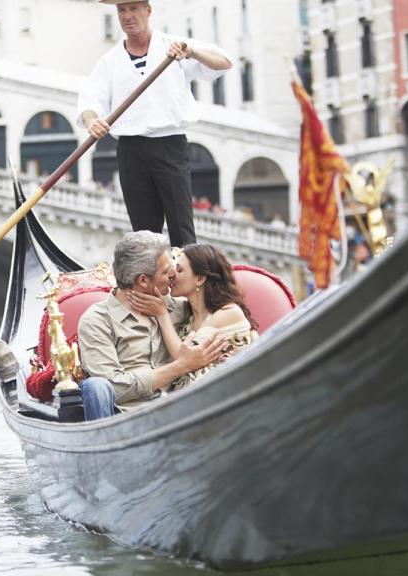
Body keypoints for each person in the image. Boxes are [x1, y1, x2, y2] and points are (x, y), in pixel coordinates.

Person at [78, 0, 233, 247]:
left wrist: (191, 51)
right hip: (131, 150)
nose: (127, 16)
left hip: (170, 145)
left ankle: (187, 280)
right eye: (122, 10)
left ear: (148, 11)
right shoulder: (110, 60)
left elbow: (224, 62)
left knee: (181, 226)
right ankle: (151, 283)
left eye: (133, 8)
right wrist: (92, 121)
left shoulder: (175, 48)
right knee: (144, 234)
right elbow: (90, 100)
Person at [76, 231, 226, 420]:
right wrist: (181, 366)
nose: (172, 274)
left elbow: (222, 307)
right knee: (96, 386)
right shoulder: (97, 321)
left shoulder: (179, 307)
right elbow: (114, 387)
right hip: (123, 420)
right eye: (165, 271)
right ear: (143, 280)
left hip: (182, 412)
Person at [127, 243, 258, 390]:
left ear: (200, 279)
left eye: (179, 269)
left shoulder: (228, 312)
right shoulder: (188, 314)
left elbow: (185, 359)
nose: (172, 274)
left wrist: (161, 314)